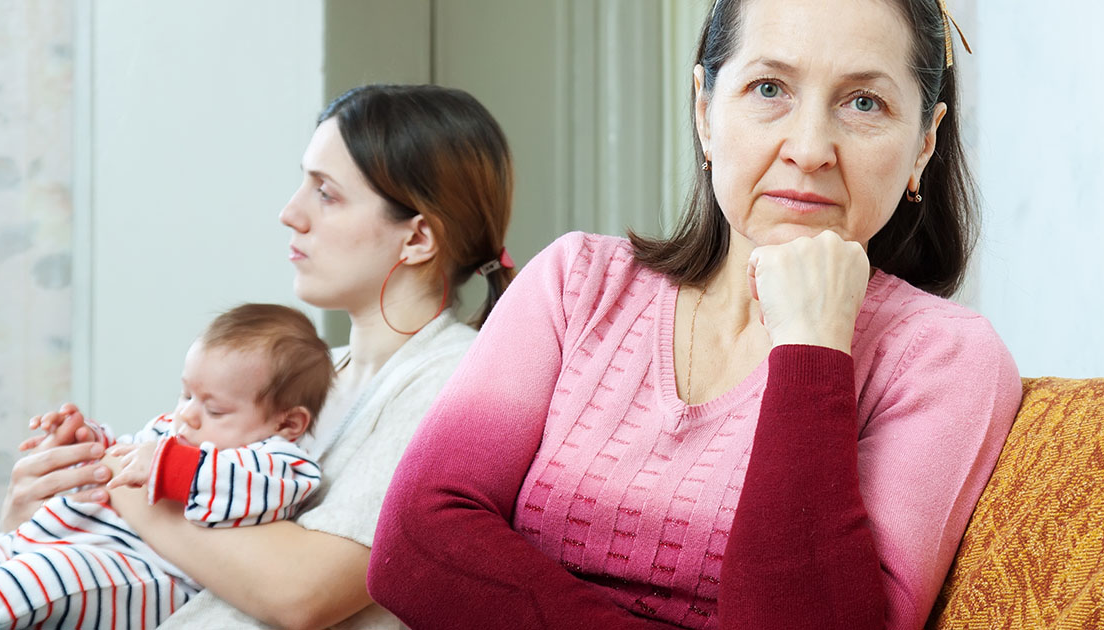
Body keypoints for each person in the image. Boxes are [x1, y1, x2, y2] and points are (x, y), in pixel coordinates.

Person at [367, 1, 1021, 629]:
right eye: (769, 88)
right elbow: (414, 545)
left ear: (923, 144)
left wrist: (813, 346)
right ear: (706, 111)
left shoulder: (943, 359)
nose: (810, 148)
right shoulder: (575, 284)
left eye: (864, 102)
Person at [0, 84, 515, 630]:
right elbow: (174, 561)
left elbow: (302, 592)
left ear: (418, 238)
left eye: (326, 193)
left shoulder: (455, 383)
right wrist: (47, 518)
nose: (290, 213)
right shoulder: (305, 381)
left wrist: (117, 483)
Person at [0, 303, 333, 630]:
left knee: (51, 573)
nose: (187, 414)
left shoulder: (278, 463)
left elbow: (243, 490)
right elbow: (124, 455)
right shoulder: (177, 430)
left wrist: (168, 466)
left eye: (214, 409)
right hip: (84, 537)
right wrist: (86, 439)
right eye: (185, 394)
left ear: (288, 423)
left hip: (146, 577)